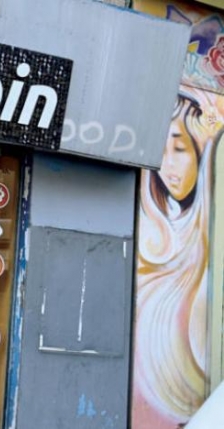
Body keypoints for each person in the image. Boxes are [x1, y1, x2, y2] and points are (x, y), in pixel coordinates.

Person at [135, 90, 218, 427]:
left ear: (201, 149)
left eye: (179, 149)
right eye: (161, 153)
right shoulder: (154, 236)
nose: (167, 167)